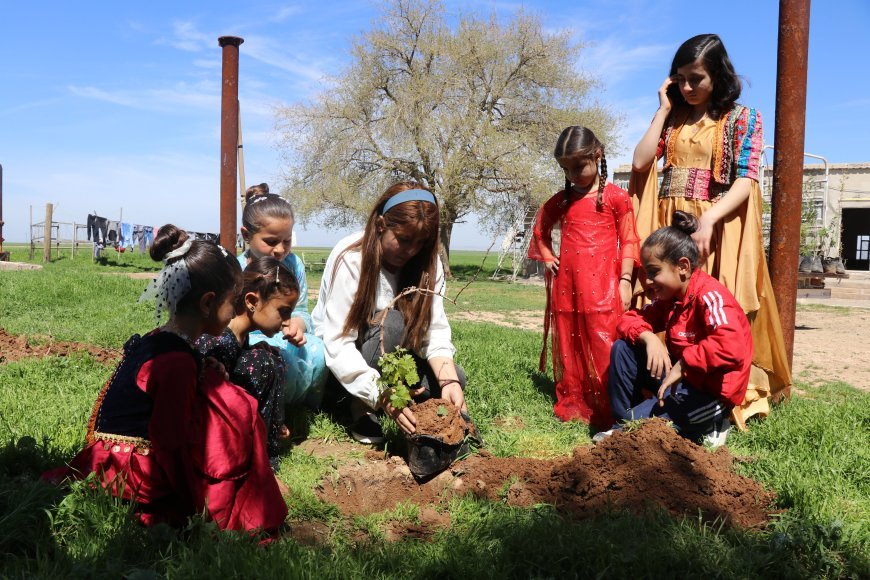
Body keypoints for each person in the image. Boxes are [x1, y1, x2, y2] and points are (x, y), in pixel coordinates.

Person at [50, 225, 287, 532]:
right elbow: (170, 443)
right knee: (237, 414)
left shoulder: (162, 338)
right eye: (233, 302)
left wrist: (204, 367)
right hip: (129, 473)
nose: (233, 313)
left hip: (104, 457)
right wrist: (195, 503)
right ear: (207, 303)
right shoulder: (177, 363)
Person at [630, 33, 791, 430]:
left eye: (695, 79)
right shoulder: (675, 117)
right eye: (680, 79)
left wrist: (710, 219)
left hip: (714, 226)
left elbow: (745, 180)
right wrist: (663, 109)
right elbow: (639, 162)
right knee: (667, 304)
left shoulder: (743, 118)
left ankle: (718, 395)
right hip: (669, 221)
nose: (687, 87)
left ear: (717, 75)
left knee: (715, 308)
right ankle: (659, 382)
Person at [312, 182, 467, 444]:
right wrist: (383, 393)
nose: (411, 251)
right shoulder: (351, 257)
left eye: (421, 242)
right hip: (343, 364)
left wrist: (449, 381)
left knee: (454, 376)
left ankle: (403, 403)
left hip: (390, 360)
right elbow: (338, 343)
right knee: (392, 323)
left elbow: (435, 331)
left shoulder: (428, 264)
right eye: (404, 240)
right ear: (381, 225)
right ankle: (359, 406)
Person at [599, 211, 751, 448]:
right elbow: (627, 320)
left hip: (709, 393)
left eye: (653, 272)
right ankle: (623, 422)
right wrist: (649, 338)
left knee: (656, 424)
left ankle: (715, 421)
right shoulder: (670, 300)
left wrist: (685, 362)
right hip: (684, 382)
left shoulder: (710, 296)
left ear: (682, 266)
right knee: (623, 349)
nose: (648, 282)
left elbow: (732, 345)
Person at [529, 126, 641, 428]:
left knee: (604, 342)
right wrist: (549, 257)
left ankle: (611, 403)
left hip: (605, 287)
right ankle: (577, 399)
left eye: (579, 166)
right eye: (565, 168)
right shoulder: (562, 200)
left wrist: (626, 280)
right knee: (570, 342)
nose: (572, 174)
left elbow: (630, 240)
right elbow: (540, 228)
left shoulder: (617, 197)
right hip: (568, 286)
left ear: (597, 155)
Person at [196, 256, 300, 470]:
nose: (288, 322)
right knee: (263, 361)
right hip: (212, 442)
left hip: (232, 426)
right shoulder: (220, 341)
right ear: (252, 301)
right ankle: (255, 460)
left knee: (271, 356)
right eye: (283, 311)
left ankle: (269, 434)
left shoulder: (240, 336)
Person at [238, 183, 327, 409]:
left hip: (285, 335)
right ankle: (274, 408)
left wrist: (296, 324)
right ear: (246, 235)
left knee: (319, 352)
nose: (280, 249)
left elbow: (301, 311)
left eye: (287, 240)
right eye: (270, 241)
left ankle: (307, 407)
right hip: (252, 339)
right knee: (283, 362)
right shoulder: (236, 270)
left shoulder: (293, 264)